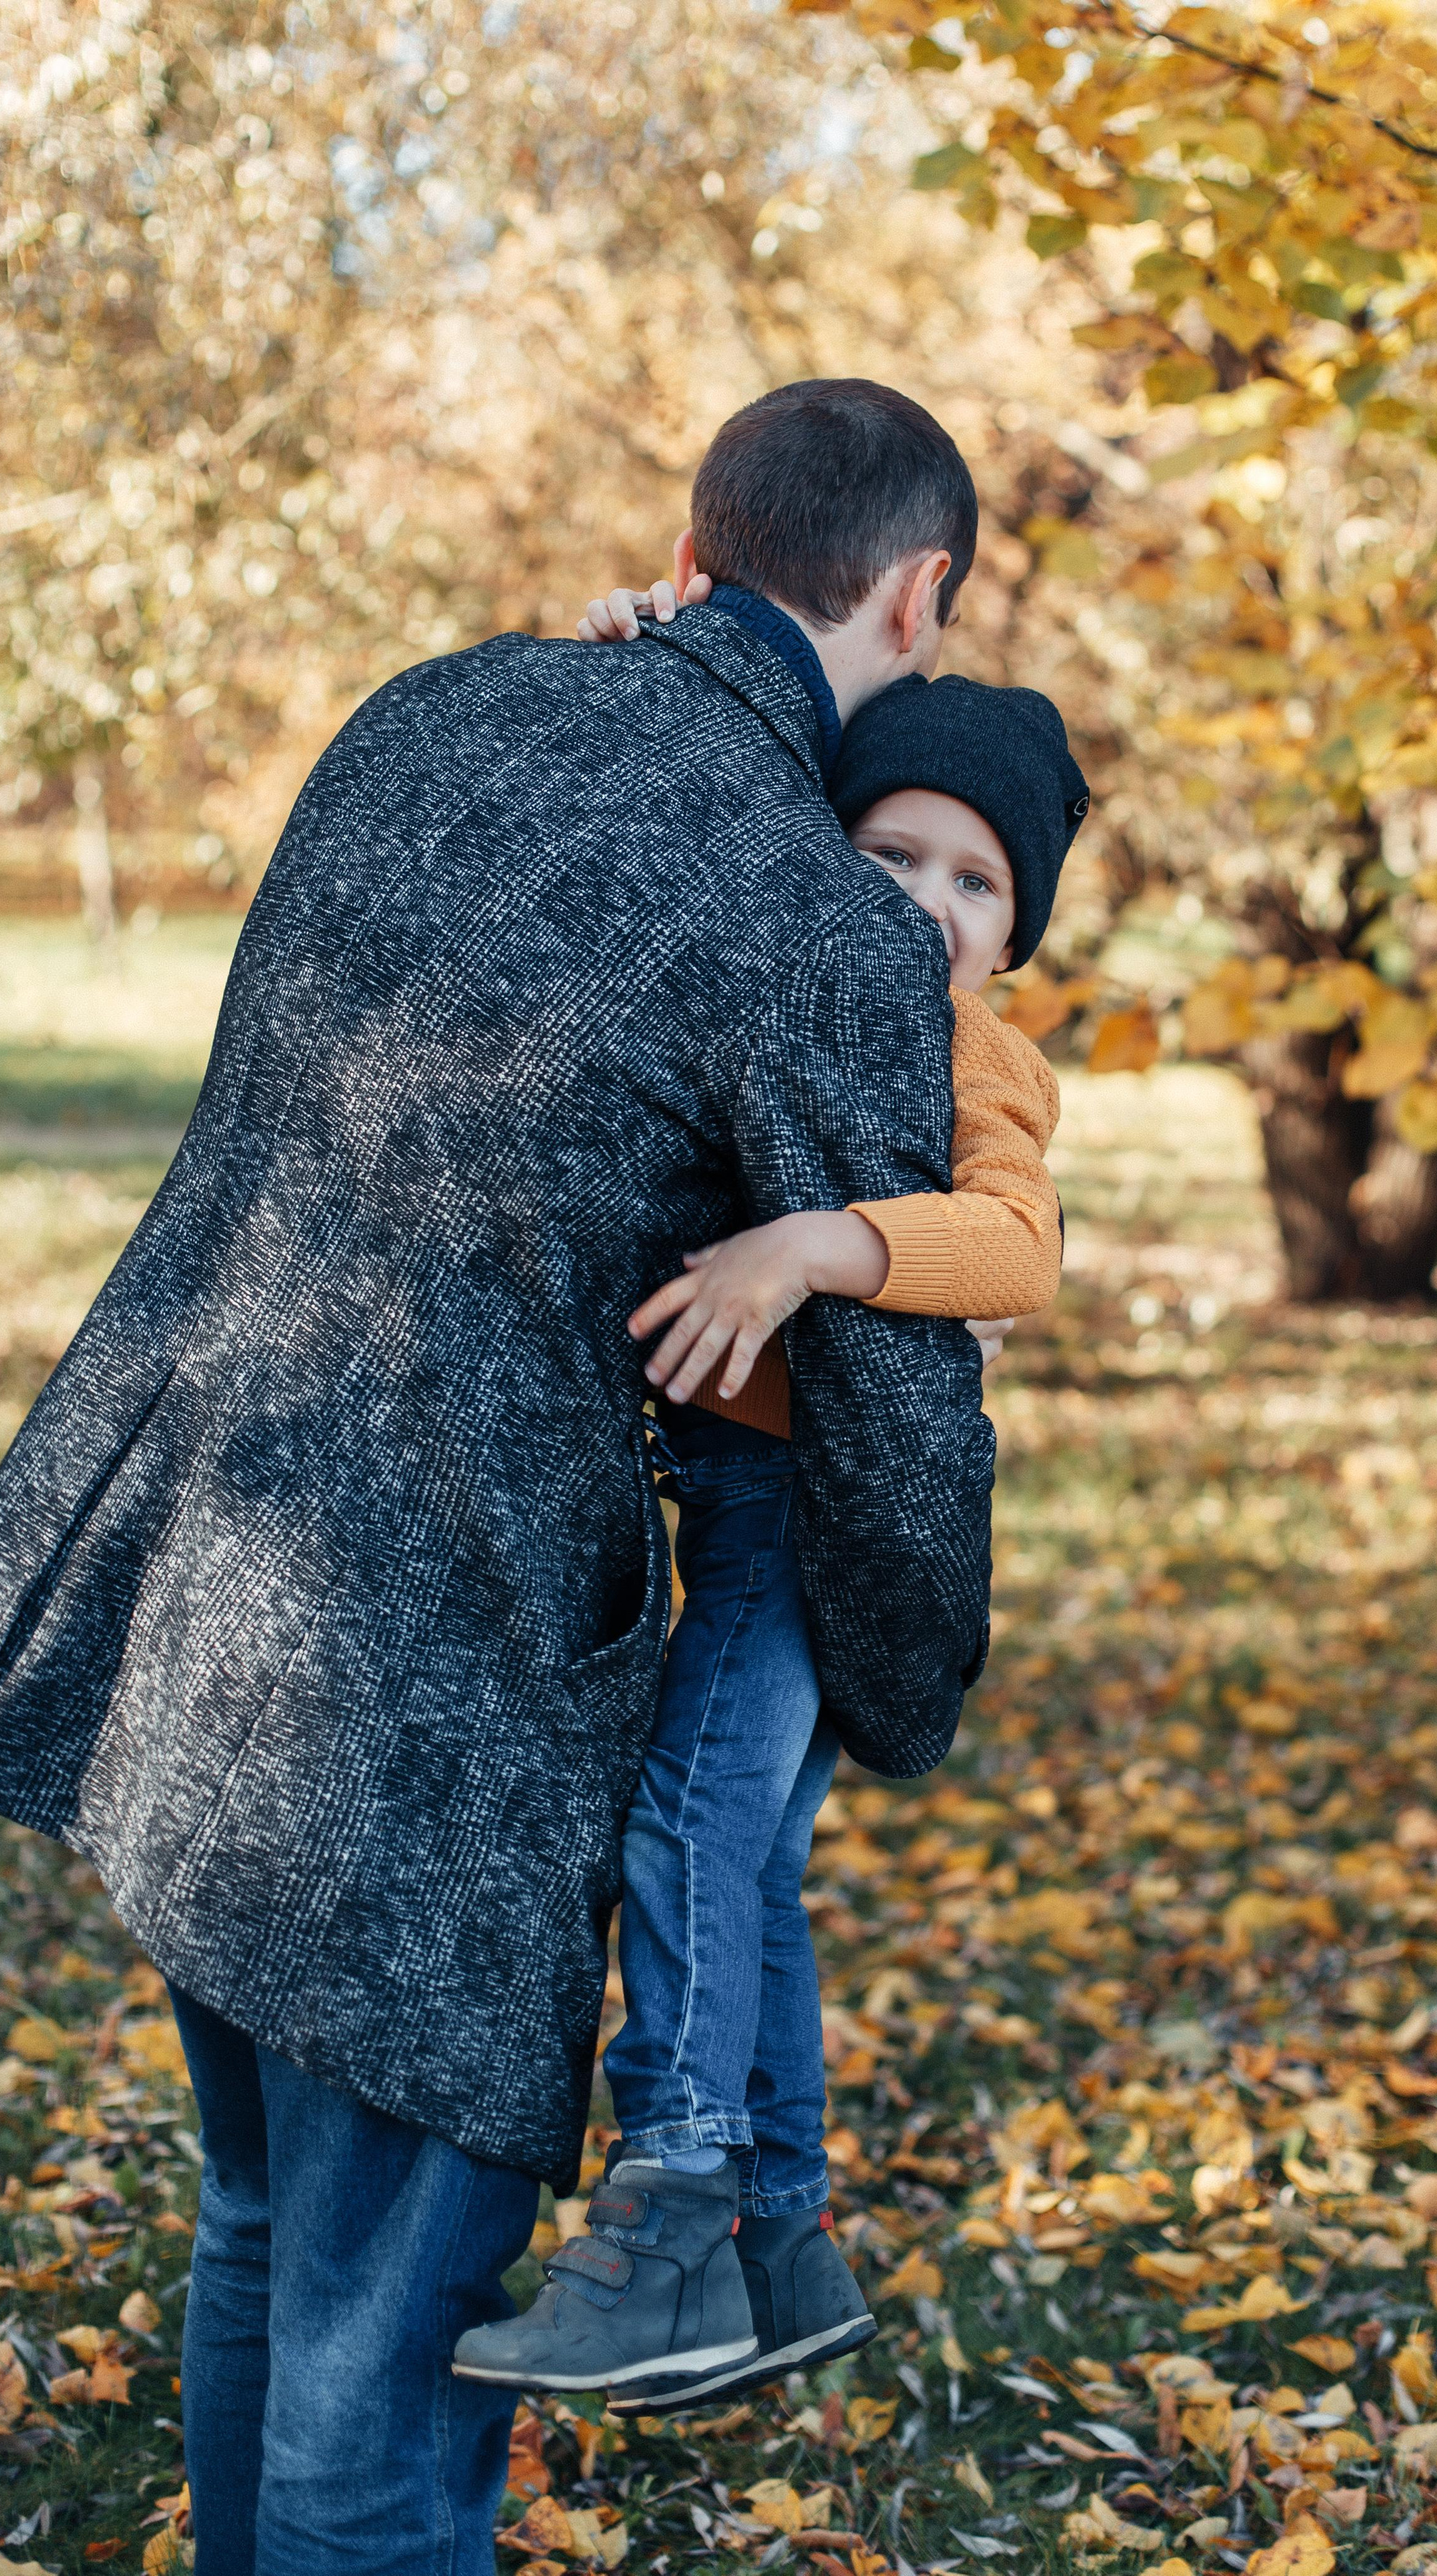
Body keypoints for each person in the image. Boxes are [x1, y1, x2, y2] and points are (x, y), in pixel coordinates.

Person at [0, 379, 997, 2576]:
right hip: (440, 1694)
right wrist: (901, 1681)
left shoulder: (427, 713)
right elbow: (893, 1397)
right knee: (380, 2378)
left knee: (268, 2234)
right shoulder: (815, 910)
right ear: (918, 590)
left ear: (697, 546)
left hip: (197, 1589)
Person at [452, 656, 1087, 2408]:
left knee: (687, 1827)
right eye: (892, 857)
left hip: (815, 1510)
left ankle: (670, 2213)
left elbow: (1019, 1248)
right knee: (748, 1862)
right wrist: (654, 632)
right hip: (743, 1490)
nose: (930, 905)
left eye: (977, 883)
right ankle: (782, 2240)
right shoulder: (794, 990)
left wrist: (812, 1248)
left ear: (1014, 935)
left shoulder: (976, 1053)